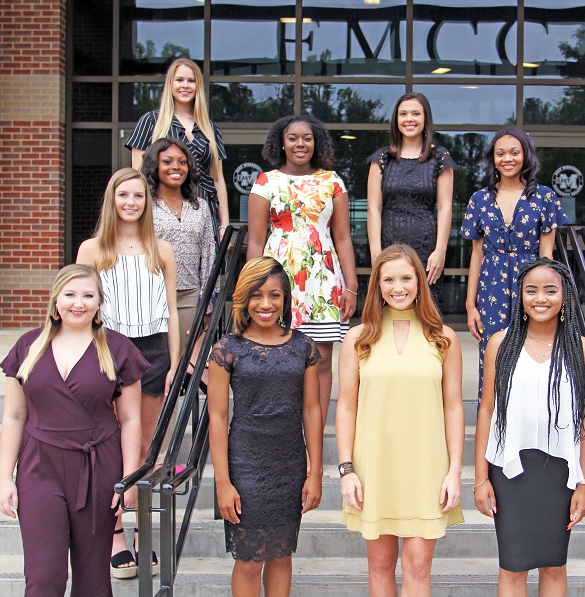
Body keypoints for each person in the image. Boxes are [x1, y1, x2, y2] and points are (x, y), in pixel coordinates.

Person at [0, 264, 147, 593]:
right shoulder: (28, 346)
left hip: (98, 467)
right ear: (56, 299)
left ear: (99, 302)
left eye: (87, 295)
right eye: (70, 295)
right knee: (43, 576)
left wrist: (130, 478)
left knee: (93, 579)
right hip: (39, 466)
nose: (78, 303)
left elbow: (131, 419)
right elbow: (13, 416)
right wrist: (4, 477)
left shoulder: (118, 349)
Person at [336, 244, 464, 596]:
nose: (398, 287)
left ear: (420, 282)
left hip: (427, 468)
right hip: (374, 468)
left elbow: (454, 407)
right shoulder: (357, 339)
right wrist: (346, 470)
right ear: (377, 285)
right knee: (379, 568)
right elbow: (346, 407)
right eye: (388, 279)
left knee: (418, 568)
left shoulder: (444, 339)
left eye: (407, 278)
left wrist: (454, 471)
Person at [77, 168, 179, 575]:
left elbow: (172, 311)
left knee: (145, 449)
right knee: (112, 447)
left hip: (153, 350)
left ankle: (144, 534)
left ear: (146, 202)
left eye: (138, 195)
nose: (131, 202)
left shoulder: (162, 250)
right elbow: (80, 307)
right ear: (112, 200)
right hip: (107, 349)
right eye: (123, 195)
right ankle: (115, 534)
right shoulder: (92, 250)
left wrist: (174, 362)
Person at [474, 258, 585, 595]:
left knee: (555, 565)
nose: (540, 298)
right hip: (510, 471)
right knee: (513, 566)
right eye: (532, 290)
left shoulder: (583, 350)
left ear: (565, 296)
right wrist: (481, 477)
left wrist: (584, 481)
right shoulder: (502, 343)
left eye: (550, 290)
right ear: (521, 298)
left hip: (560, 472)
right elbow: (486, 411)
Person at [208, 256, 323, 597]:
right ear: (243, 298)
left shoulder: (303, 347)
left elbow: (313, 410)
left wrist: (315, 471)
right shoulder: (227, 350)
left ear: (286, 299)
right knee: (249, 560)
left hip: (289, 465)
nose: (266, 304)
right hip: (246, 466)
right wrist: (223, 482)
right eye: (257, 295)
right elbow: (217, 417)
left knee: (282, 554)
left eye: (275, 295)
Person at [247, 114, 358, 427]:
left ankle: (315, 435)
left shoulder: (333, 181)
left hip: (322, 281)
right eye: (293, 137)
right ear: (281, 143)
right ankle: (281, 429)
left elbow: (344, 237)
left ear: (316, 142)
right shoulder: (265, 181)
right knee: (278, 358)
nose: (300, 144)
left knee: (321, 360)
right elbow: (255, 242)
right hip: (276, 278)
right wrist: (252, 287)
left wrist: (351, 286)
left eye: (307, 138)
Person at [461, 126, 569, 399]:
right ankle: (495, 428)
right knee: (494, 355)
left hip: (531, 284)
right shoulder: (479, 199)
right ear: (493, 158)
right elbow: (477, 253)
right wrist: (470, 304)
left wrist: (549, 295)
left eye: (514, 152)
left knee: (533, 352)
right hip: (491, 287)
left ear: (526, 156)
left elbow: (547, 254)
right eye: (500, 153)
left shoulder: (544, 196)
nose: (507, 159)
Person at [126, 57, 229, 242]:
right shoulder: (151, 121)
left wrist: (224, 225)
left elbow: (218, 179)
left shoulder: (210, 128)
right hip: (161, 214)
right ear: (170, 84)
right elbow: (138, 176)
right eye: (179, 80)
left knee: (207, 268)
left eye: (191, 81)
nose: (185, 86)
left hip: (204, 214)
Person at [366, 92, 455, 306]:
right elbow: (373, 208)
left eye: (416, 113)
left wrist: (440, 250)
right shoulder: (382, 158)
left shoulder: (440, 158)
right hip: (388, 244)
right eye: (403, 114)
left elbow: (445, 207)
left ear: (426, 119)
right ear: (396, 120)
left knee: (425, 309)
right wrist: (376, 252)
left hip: (426, 247)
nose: (409, 119)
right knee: (388, 306)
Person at [141, 138, 215, 358]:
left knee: (190, 363)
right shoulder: (145, 205)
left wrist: (207, 303)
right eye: (167, 161)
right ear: (155, 166)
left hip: (191, 297)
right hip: (153, 297)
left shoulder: (200, 207)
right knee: (158, 364)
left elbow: (210, 254)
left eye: (182, 162)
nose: (176, 167)